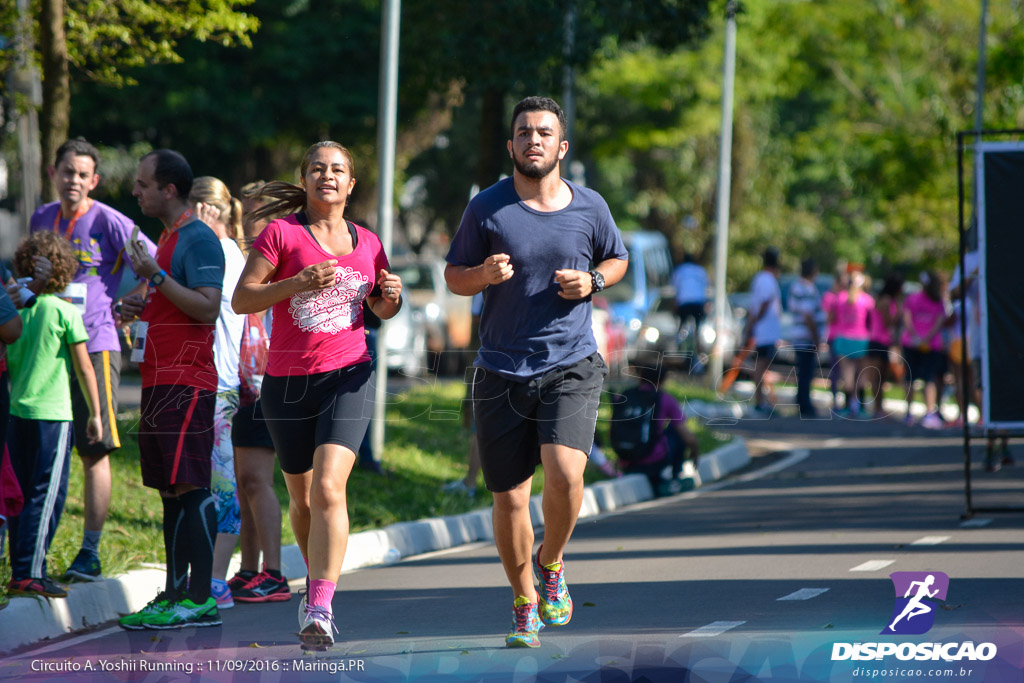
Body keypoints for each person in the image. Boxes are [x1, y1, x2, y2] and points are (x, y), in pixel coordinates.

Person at [444, 96, 628, 648]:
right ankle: (525, 601)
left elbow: (617, 259)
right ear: (511, 145)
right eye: (523, 132)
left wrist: (593, 282)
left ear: (561, 146)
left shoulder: (590, 206)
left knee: (567, 474)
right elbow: (454, 277)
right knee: (509, 499)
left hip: (570, 361)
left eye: (544, 132)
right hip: (501, 368)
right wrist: (482, 273)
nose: (533, 140)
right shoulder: (487, 208)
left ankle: (552, 562)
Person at [232, 141, 403, 649]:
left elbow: (380, 308)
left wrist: (390, 299)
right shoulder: (281, 234)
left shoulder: (369, 243)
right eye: (317, 169)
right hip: (286, 383)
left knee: (330, 487)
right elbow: (243, 298)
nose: (327, 176)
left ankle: (321, 603)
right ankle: (317, 588)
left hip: (349, 374)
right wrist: (297, 282)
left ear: (351, 184)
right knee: (303, 499)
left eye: (338, 170)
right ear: (304, 179)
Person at [28, 138, 157, 582]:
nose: (74, 181)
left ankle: (90, 551)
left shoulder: (111, 221)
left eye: (83, 175)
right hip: (48, 345)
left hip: (97, 344)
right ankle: (35, 549)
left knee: (94, 447)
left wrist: (134, 302)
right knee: (48, 447)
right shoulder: (42, 218)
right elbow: (29, 274)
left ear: (95, 181)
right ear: (53, 173)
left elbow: (159, 266)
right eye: (67, 172)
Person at [116, 149, 226, 630]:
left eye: (142, 184)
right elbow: (171, 303)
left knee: (190, 486)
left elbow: (206, 309)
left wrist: (155, 277)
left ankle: (201, 597)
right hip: (158, 380)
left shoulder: (198, 239)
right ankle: (174, 592)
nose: (135, 191)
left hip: (187, 382)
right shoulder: (166, 238)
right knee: (169, 491)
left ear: (170, 189)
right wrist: (139, 306)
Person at [6, 231, 102, 598]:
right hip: (54, 417)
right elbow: (85, 368)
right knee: (46, 495)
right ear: (64, 269)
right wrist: (95, 413)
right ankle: (31, 571)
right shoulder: (63, 311)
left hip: (16, 414)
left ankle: (18, 567)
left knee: (18, 494)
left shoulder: (15, 312)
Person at [226, 182, 290, 602]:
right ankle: (248, 569)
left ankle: (275, 573)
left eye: (257, 210)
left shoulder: (283, 248)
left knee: (257, 479)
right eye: (245, 209)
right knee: (244, 480)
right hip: (241, 380)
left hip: (272, 379)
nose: (249, 218)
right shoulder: (244, 249)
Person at [186, 177, 246, 611]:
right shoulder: (207, 247)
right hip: (198, 383)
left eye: (194, 207)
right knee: (197, 485)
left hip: (220, 386)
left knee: (224, 487)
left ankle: (215, 580)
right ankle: (202, 576)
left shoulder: (222, 252)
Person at [610, 356, 700, 496]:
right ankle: (675, 478)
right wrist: (695, 452)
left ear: (640, 377)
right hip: (652, 461)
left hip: (625, 458)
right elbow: (688, 437)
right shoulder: (664, 399)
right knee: (675, 432)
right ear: (663, 380)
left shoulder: (624, 396)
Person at [901, 271, 951, 429]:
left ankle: (910, 412)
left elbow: (907, 319)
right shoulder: (936, 300)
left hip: (914, 342)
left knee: (912, 376)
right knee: (928, 378)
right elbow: (940, 321)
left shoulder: (915, 298)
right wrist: (926, 338)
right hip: (929, 343)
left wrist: (917, 337)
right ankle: (929, 412)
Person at [828, 268, 874, 417]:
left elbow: (832, 318)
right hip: (861, 339)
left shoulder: (840, 297)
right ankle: (859, 406)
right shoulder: (867, 300)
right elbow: (870, 322)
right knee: (861, 375)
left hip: (843, 338)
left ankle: (848, 405)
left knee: (847, 376)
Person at [745, 247, 782, 414]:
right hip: (765, 331)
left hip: (766, 330)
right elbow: (765, 303)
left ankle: (763, 399)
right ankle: (760, 400)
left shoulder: (761, 278)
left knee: (763, 366)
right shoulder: (767, 279)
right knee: (760, 366)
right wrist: (754, 322)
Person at [787, 258, 823, 418]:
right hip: (805, 336)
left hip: (804, 336)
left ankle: (803, 400)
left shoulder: (805, 288)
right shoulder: (803, 288)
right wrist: (816, 336)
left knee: (806, 371)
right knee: (805, 372)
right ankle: (804, 403)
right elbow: (808, 315)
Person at [865, 273, 904, 418]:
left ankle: (879, 405)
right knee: (877, 376)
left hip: (884, 341)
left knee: (882, 376)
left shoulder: (887, 299)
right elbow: (888, 322)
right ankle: (877, 407)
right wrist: (899, 312)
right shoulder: (886, 301)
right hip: (878, 340)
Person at [670, 252, 709, 356]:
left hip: (684, 302)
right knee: (698, 327)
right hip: (698, 302)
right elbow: (706, 286)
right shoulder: (700, 270)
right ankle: (698, 345)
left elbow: (675, 288)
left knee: (681, 324)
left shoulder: (679, 270)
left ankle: (678, 345)